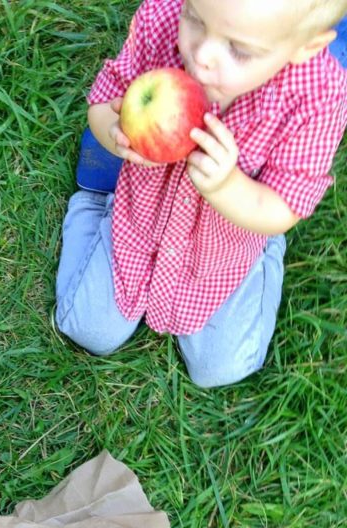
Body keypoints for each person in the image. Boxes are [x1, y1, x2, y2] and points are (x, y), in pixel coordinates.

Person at [56, 0, 347, 387]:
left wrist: (228, 188)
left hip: (225, 251)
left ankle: (267, 250)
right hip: (140, 223)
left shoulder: (319, 95)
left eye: (239, 49)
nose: (201, 53)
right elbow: (103, 104)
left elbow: (285, 205)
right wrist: (117, 133)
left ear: (305, 47)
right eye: (194, 16)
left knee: (222, 369)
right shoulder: (161, 17)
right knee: (85, 328)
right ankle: (95, 205)